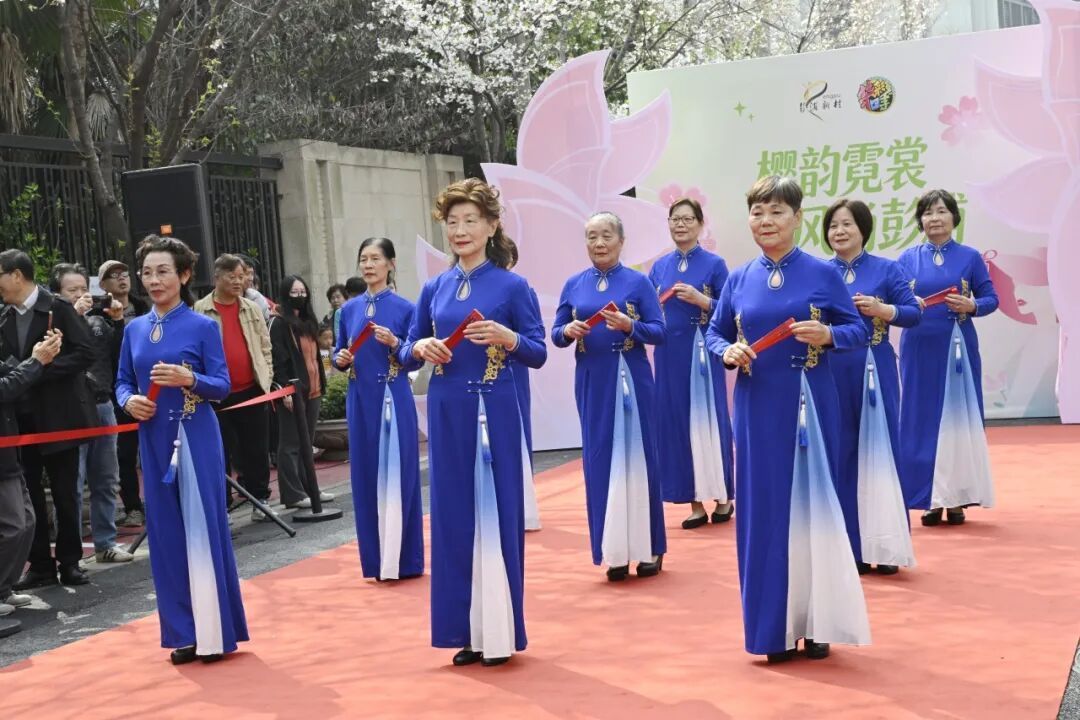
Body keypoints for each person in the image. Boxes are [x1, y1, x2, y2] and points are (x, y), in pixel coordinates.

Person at [705, 176, 870, 663]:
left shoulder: (822, 274)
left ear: (798, 218)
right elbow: (714, 333)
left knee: (813, 506)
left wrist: (829, 335)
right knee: (763, 512)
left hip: (809, 404)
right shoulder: (738, 278)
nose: (766, 221)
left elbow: (857, 329)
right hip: (756, 408)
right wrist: (727, 350)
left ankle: (817, 623)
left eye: (777, 211)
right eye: (757, 212)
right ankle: (771, 629)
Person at [402, 178, 546, 667]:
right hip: (446, 411)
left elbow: (538, 351)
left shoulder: (512, 286)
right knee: (453, 518)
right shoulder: (434, 287)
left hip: (494, 409)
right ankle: (465, 632)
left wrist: (508, 337)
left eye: (470, 221)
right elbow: (407, 350)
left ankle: (499, 632)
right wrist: (421, 346)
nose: (460, 230)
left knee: (497, 513)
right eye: (452, 222)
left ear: (491, 226)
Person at [116, 235, 248, 665]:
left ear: (184, 275)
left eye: (163, 272)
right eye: (147, 272)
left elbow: (222, 385)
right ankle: (184, 633)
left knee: (203, 528)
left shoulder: (203, 326)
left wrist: (189, 379)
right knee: (166, 535)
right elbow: (122, 381)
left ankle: (215, 631)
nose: (154, 280)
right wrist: (128, 402)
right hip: (153, 438)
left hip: (196, 435)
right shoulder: (134, 329)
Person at [551, 211, 668, 581]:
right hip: (592, 378)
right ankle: (614, 551)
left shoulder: (638, 282)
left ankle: (650, 547)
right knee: (599, 459)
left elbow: (659, 331)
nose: (599, 243)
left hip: (631, 376)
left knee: (639, 458)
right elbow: (555, 333)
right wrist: (568, 331)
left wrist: (630, 325)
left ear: (621, 241)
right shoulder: (574, 284)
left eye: (606, 236)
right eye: (592, 237)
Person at [824, 200, 920, 575]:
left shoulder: (886, 269)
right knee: (841, 453)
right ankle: (853, 548)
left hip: (874, 367)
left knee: (880, 451)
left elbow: (913, 312)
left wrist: (883, 310)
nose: (839, 231)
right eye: (833, 225)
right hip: (832, 371)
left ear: (863, 228)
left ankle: (887, 547)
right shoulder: (821, 273)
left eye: (847, 224)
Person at [897, 189, 999, 526]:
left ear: (954, 217)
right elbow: (895, 302)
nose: (935, 218)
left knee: (957, 421)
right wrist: (907, 304)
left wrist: (972, 305)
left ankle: (956, 498)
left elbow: (991, 298)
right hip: (917, 348)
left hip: (957, 349)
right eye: (927, 213)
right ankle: (928, 497)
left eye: (941, 211)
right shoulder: (907, 259)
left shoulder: (970, 257)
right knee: (921, 419)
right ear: (920, 221)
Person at [0, 249, 98, 590]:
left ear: (16, 275)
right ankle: (40, 564)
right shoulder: (3, 316)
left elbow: (86, 353)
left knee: (65, 492)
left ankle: (70, 561)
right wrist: (26, 367)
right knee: (29, 495)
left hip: (59, 416)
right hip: (18, 420)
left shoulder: (58, 308)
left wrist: (43, 367)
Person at [334, 237, 423, 581]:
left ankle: (406, 560)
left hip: (393, 395)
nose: (368, 265)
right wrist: (340, 359)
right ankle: (375, 561)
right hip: (360, 398)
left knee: (400, 472)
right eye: (364, 259)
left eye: (375, 259)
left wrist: (396, 343)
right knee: (366, 474)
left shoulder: (406, 308)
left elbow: (415, 356)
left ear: (391, 264)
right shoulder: (348, 310)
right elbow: (339, 354)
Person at [649, 197, 735, 529]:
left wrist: (703, 301)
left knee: (709, 419)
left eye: (687, 219)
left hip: (701, 353)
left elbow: (731, 310)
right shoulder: (659, 267)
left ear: (700, 224)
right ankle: (694, 501)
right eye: (675, 219)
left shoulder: (715, 264)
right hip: (669, 352)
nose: (680, 225)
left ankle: (723, 497)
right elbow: (648, 308)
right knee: (676, 421)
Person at [49, 264, 134, 563]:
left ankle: (105, 543)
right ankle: (70, 553)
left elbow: (121, 356)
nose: (80, 295)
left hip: (102, 404)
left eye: (84, 289)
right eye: (71, 290)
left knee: (106, 478)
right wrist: (72, 317)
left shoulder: (98, 322)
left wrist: (118, 321)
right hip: (70, 410)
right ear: (56, 295)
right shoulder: (50, 324)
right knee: (71, 483)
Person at [194, 255, 274, 520]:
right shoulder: (200, 309)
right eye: (232, 276)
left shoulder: (252, 308)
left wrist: (267, 375)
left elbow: (265, 345)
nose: (239, 281)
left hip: (252, 390)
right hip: (217, 393)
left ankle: (260, 499)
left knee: (257, 448)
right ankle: (223, 504)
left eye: (242, 276)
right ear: (217, 277)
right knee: (220, 450)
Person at [0, 331, 61, 626]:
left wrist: (39, 356)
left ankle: (4, 588)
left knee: (27, 522)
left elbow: (12, 374)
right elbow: (6, 388)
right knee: (13, 526)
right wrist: (36, 361)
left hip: (10, 453)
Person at [269, 275, 335, 509]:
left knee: (307, 442)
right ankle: (293, 494)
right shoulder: (279, 323)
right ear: (285, 294)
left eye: (303, 292)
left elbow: (316, 356)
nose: (300, 296)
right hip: (292, 391)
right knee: (290, 443)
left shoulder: (308, 321)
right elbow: (278, 360)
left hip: (313, 389)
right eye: (294, 292)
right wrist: (284, 390)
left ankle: (310, 489)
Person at [99, 260, 148, 527]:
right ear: (103, 284)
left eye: (124, 273)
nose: (121, 279)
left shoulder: (144, 308)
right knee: (126, 454)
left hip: (151, 385)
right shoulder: (98, 315)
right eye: (113, 275)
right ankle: (133, 507)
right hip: (120, 389)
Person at [237, 255, 272, 324]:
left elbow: (265, 323)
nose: (251, 278)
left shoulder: (256, 297)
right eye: (247, 273)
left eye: (252, 274)